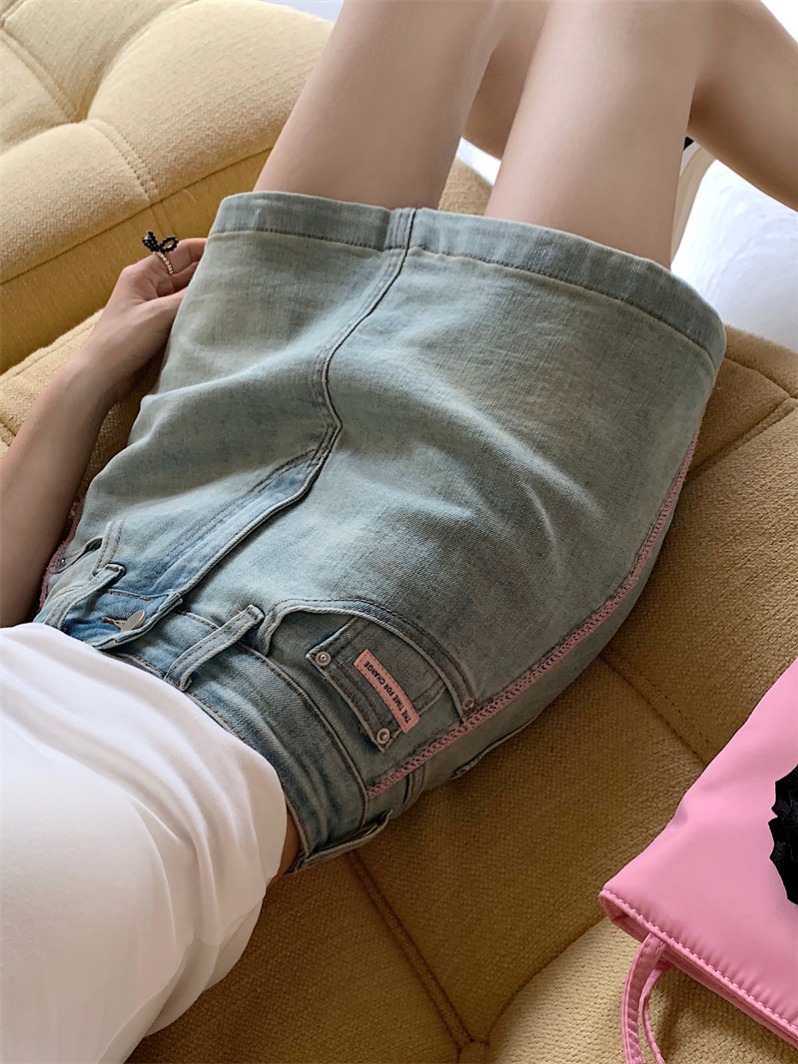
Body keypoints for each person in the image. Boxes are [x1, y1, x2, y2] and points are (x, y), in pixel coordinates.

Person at [1, 1, 796, 1061]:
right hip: (330, 667)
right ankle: (636, 112)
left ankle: (618, 119)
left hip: (121, 555)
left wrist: (89, 371)